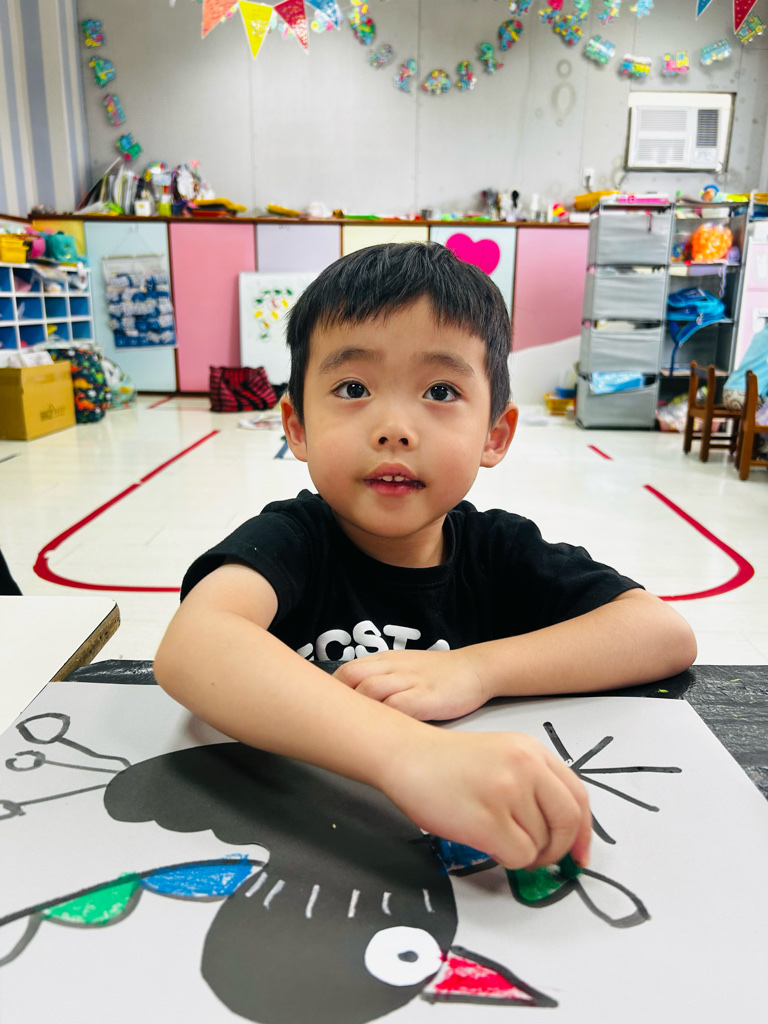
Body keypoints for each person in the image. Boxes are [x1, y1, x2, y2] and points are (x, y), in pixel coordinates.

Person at [154, 242, 696, 874]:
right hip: (298, 842)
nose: (395, 428)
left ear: (494, 434)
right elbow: (194, 645)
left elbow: (662, 632)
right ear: (297, 427)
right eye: (353, 387)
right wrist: (408, 755)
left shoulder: (498, 550)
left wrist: (476, 670)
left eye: (440, 390)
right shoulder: (293, 539)